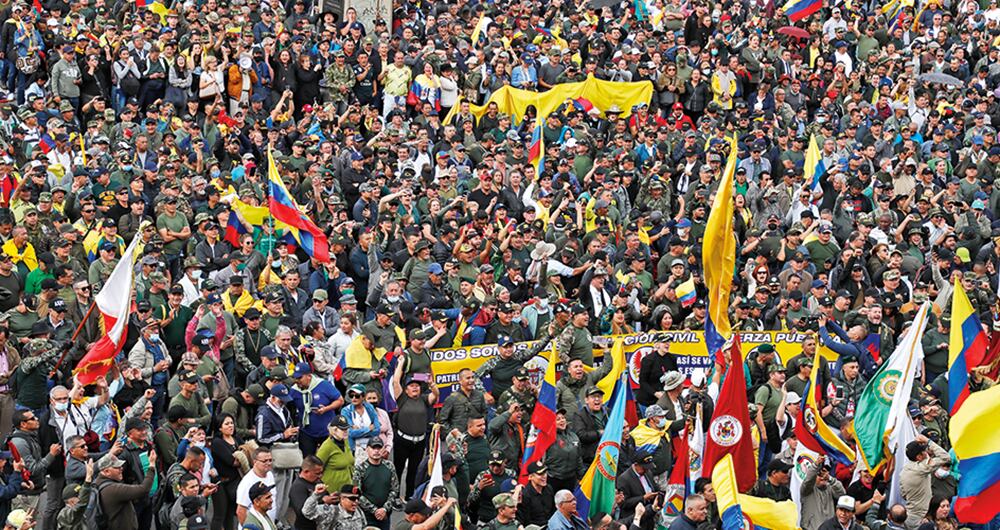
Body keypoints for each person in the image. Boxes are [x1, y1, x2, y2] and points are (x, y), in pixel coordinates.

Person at [94, 450, 157, 530]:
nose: (121, 469)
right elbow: (143, 489)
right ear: (106, 471)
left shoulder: (98, 482)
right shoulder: (112, 489)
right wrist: (151, 466)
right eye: (117, 467)